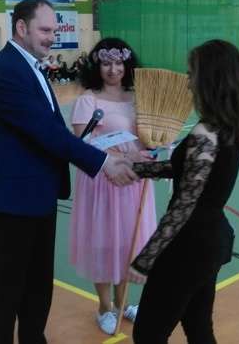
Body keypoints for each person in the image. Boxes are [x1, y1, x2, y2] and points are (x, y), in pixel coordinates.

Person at [0, 0, 137, 344]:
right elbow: (46, 133)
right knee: (8, 287)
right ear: (22, 27)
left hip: (39, 196)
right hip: (12, 200)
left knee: (37, 284)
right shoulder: (4, 70)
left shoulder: (32, 68)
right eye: (45, 30)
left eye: (54, 30)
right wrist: (104, 162)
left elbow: (52, 132)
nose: (52, 37)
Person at [128, 39, 239, 343]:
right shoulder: (230, 125)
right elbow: (191, 173)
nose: (188, 82)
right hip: (209, 242)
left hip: (187, 245)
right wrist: (137, 169)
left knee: (148, 334)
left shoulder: (205, 133)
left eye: (192, 74)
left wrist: (147, 257)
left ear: (209, 79)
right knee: (199, 327)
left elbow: (184, 206)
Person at [69, 38, 157, 335]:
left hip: (133, 182)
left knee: (126, 244)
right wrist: (121, 156)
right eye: (106, 63)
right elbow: (83, 145)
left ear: (127, 65)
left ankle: (123, 302)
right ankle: (105, 307)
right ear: (97, 66)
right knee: (104, 243)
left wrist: (155, 147)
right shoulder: (88, 100)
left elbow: (147, 139)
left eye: (119, 63)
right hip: (103, 184)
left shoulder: (138, 98)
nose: (113, 69)